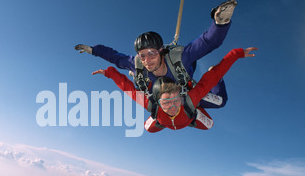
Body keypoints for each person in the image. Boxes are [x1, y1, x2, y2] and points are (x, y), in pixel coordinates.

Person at [76, 0, 237, 109]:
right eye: (142, 55)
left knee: (220, 101)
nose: (147, 60)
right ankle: (137, 77)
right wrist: (93, 50)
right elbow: (115, 57)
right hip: (160, 93)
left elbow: (208, 42)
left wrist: (220, 23)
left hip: (185, 91)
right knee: (151, 98)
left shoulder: (180, 58)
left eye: (152, 53)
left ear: (161, 51)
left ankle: (214, 76)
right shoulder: (137, 62)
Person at [92, 47, 257, 132]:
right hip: (176, 115)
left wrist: (236, 54)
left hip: (192, 109)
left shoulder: (190, 99)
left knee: (217, 108)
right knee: (147, 128)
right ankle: (141, 77)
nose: (171, 107)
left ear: (181, 97)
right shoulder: (152, 105)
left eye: (174, 101)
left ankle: (193, 110)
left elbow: (213, 76)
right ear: (159, 101)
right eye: (166, 102)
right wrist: (110, 73)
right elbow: (127, 88)